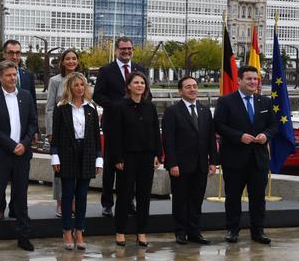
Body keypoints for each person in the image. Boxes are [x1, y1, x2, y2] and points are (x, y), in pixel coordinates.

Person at [214, 66, 279, 244]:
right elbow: (218, 125)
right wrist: (239, 136)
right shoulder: (226, 101)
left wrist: (266, 135)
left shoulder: (265, 102)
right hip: (234, 159)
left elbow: (274, 125)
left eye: (255, 79)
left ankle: (258, 232)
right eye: (249, 79)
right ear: (239, 81)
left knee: (258, 197)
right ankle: (232, 230)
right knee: (233, 196)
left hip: (258, 159)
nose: (253, 82)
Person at [0, 61, 38, 252]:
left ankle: (24, 236)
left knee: (21, 197)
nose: (12, 78)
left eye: (14, 74)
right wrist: (11, 146)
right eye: (8, 75)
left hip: (22, 155)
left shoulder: (26, 96)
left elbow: (33, 123)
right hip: (0, 155)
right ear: (0, 77)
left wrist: (25, 143)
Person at [93, 37, 147, 217]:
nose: (126, 51)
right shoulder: (106, 70)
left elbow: (147, 94)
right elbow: (98, 95)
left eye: (129, 48)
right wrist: (117, 107)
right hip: (113, 124)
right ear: (117, 50)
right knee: (111, 165)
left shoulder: (141, 69)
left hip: (135, 126)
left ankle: (128, 201)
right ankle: (107, 203)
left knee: (132, 165)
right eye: (123, 48)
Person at [162, 76, 218, 245]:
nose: (193, 89)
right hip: (180, 165)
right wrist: (172, 163)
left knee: (196, 200)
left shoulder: (204, 111)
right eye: (188, 87)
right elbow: (168, 140)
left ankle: (195, 232)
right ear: (180, 91)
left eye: (194, 86)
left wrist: (213, 161)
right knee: (180, 200)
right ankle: (180, 232)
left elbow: (210, 139)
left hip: (201, 165)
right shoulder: (172, 111)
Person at [50, 72, 102, 250]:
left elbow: (96, 136)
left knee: (82, 196)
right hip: (66, 154)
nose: (80, 88)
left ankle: (79, 231)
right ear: (69, 87)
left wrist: (98, 159)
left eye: (82, 85)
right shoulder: (61, 107)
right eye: (76, 85)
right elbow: (55, 136)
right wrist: (55, 156)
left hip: (87, 153)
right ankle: (66, 231)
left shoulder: (91, 108)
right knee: (68, 195)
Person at [110, 71, 161, 248]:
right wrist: (117, 158)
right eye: (136, 82)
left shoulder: (150, 107)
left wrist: (157, 154)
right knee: (124, 195)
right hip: (127, 157)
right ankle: (120, 231)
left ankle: (141, 232)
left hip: (147, 156)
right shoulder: (120, 107)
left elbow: (156, 132)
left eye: (142, 83)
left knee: (144, 196)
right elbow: (115, 136)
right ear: (129, 86)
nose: (140, 85)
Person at [45, 48, 81, 217]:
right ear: (62, 62)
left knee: (77, 170)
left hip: (78, 132)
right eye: (68, 59)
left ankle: (73, 203)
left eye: (74, 58)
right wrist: (51, 131)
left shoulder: (82, 79)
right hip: (60, 132)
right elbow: (50, 107)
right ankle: (60, 203)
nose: (71, 61)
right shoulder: (55, 81)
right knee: (60, 170)